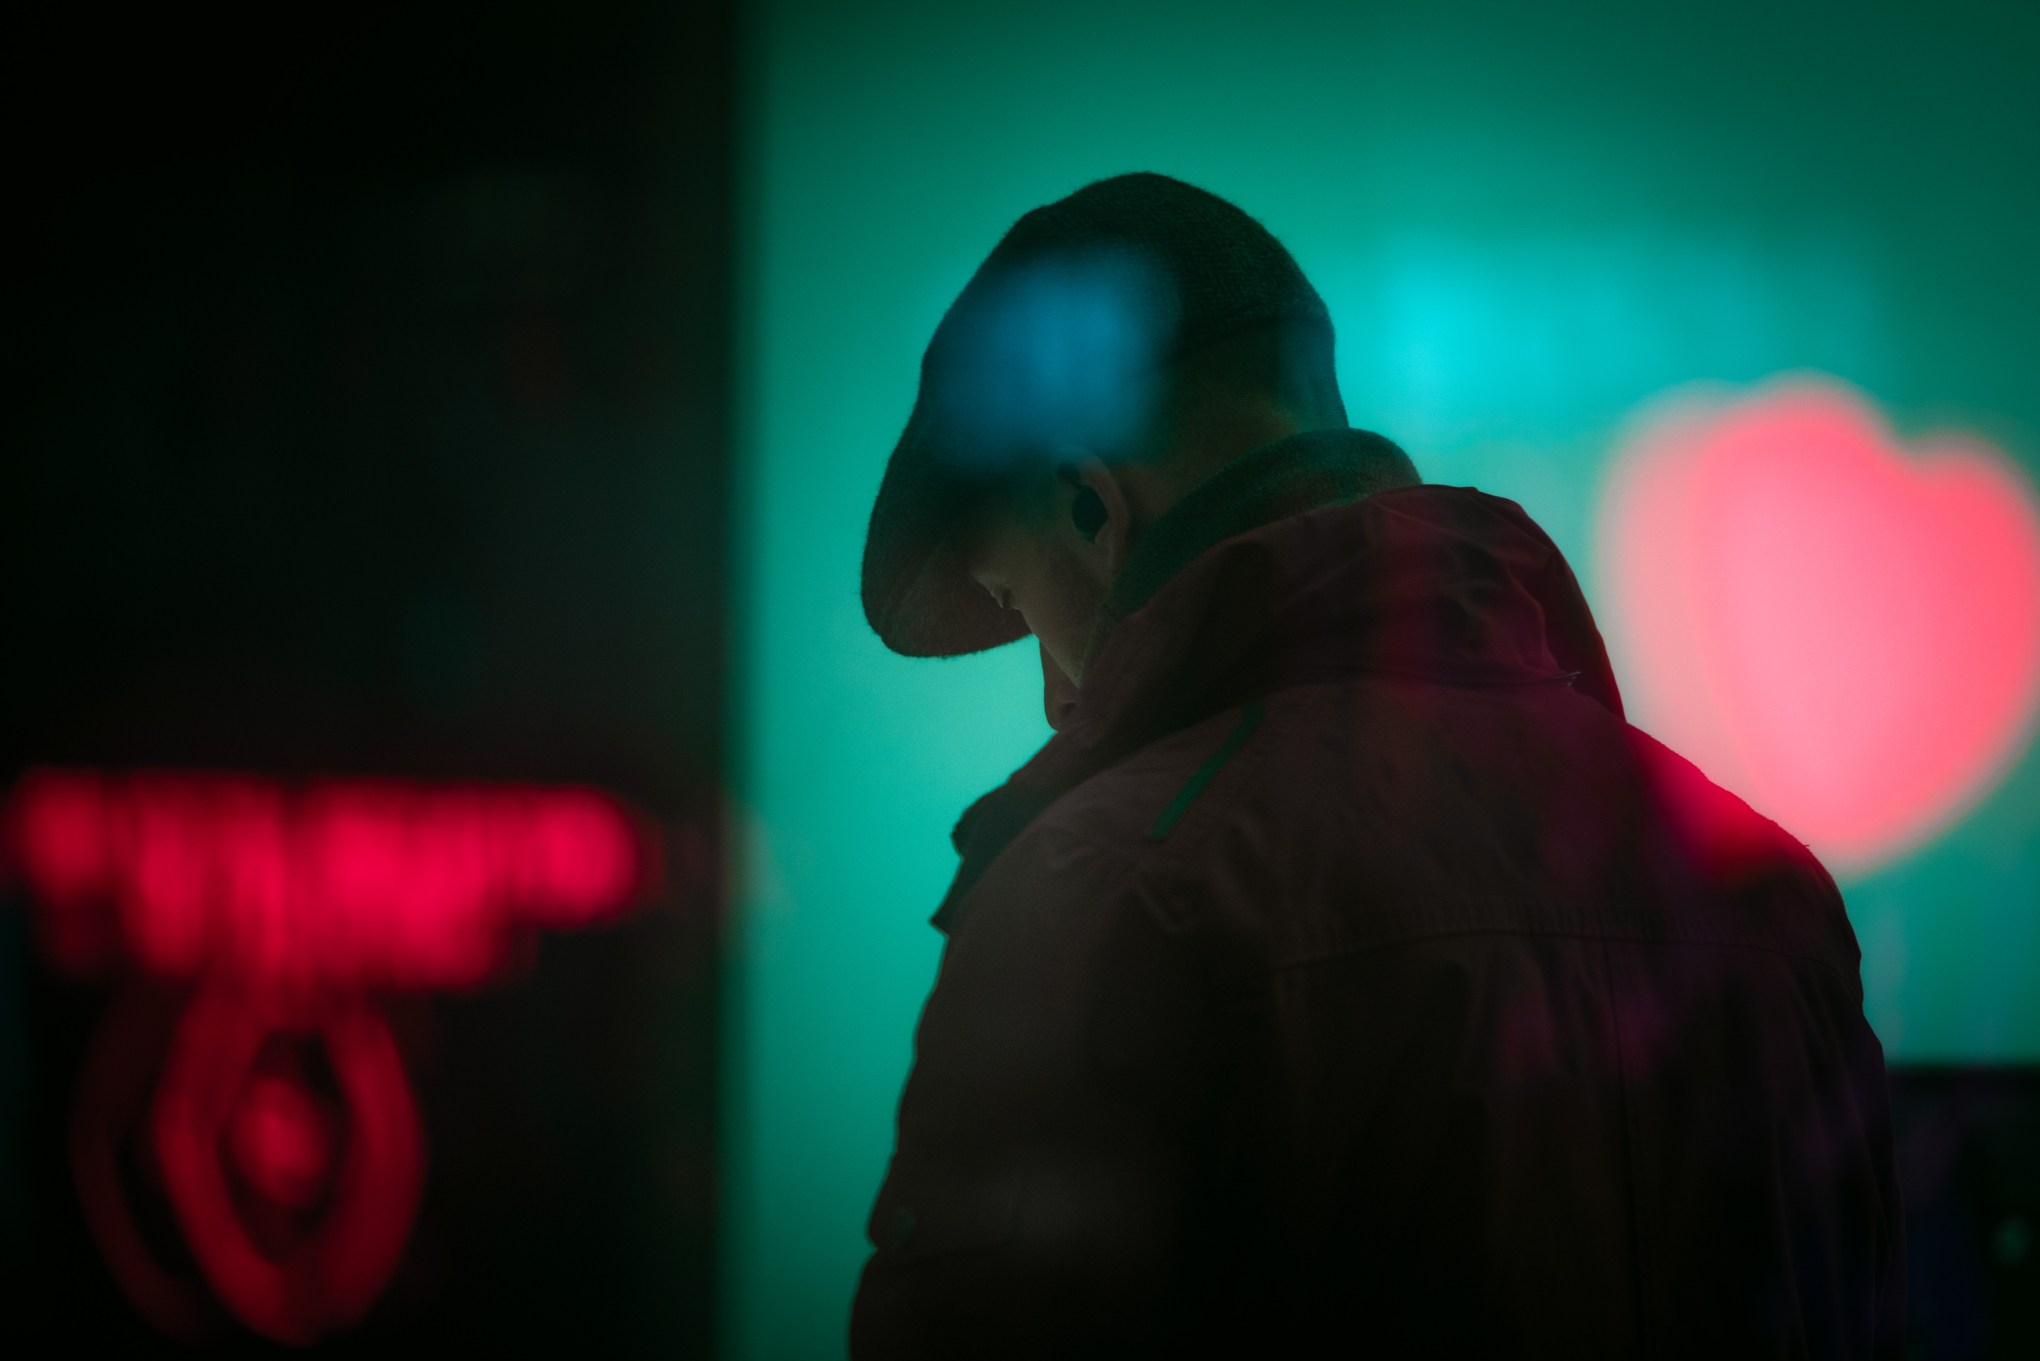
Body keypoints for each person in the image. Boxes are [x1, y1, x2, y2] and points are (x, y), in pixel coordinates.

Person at [851, 172, 1903, 1358]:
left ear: (1091, 507)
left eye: (1016, 599)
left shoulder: (1097, 896)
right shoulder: (1772, 893)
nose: (1055, 696)